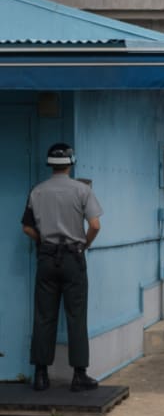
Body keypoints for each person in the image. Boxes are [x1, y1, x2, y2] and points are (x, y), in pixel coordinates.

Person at [21, 143, 103, 392]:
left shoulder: (37, 191)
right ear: (70, 163)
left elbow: (26, 227)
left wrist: (44, 242)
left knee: (44, 316)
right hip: (73, 258)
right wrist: (83, 245)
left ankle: (41, 375)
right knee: (76, 316)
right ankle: (79, 375)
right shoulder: (81, 190)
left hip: (47, 258)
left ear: (50, 165)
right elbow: (95, 225)